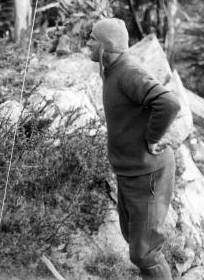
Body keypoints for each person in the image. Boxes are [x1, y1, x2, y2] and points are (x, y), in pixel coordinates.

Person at [87, 18, 180, 280]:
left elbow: (168, 103)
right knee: (134, 241)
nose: (87, 43)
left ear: (106, 45)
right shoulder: (112, 68)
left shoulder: (128, 71)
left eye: (92, 39)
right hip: (130, 171)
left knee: (145, 252)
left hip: (147, 172)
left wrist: (151, 138)